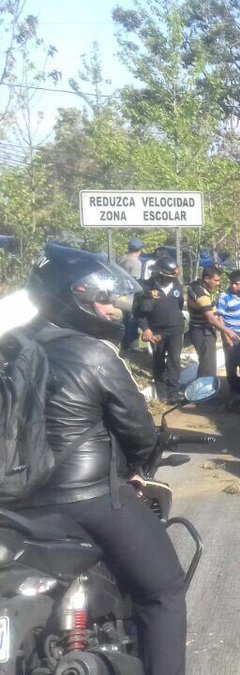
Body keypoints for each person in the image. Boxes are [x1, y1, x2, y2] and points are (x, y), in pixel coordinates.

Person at [20, 244, 187, 675]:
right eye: (99, 299)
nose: (109, 308)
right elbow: (139, 432)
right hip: (87, 499)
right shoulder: (94, 354)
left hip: (12, 502)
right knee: (163, 591)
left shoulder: (7, 347)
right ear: (70, 296)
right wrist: (139, 465)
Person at [136, 257, 186, 401]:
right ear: (158, 273)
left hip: (176, 329)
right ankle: (162, 391)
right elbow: (138, 312)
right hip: (157, 332)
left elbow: (179, 305)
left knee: (174, 360)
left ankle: (174, 392)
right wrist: (146, 329)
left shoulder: (177, 286)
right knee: (158, 360)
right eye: (167, 276)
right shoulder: (145, 289)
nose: (170, 279)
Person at [187, 266, 239, 379]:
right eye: (216, 280)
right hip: (202, 331)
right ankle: (204, 392)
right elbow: (211, 318)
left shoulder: (198, 286)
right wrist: (227, 331)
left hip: (204, 330)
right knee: (207, 366)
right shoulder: (201, 294)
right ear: (206, 279)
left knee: (208, 363)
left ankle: (207, 390)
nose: (218, 283)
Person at [216, 269, 240, 394]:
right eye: (232, 283)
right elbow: (220, 317)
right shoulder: (224, 297)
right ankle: (234, 387)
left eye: (237, 284)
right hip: (230, 333)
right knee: (231, 362)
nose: (234, 286)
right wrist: (225, 336)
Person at [116, 239, 145, 352]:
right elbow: (135, 282)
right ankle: (132, 346)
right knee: (132, 319)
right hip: (130, 295)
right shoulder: (135, 262)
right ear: (140, 250)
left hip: (118, 292)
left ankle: (123, 344)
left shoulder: (120, 258)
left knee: (123, 320)